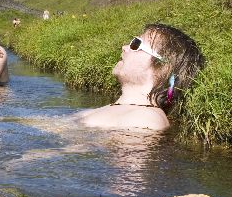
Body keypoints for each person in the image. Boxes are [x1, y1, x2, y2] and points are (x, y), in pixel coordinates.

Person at [76, 24, 204, 131]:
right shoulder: (104, 111)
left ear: (163, 68)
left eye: (136, 44)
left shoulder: (146, 119)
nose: (125, 47)